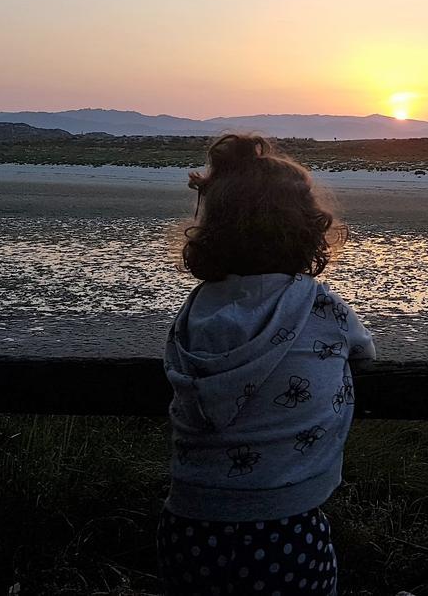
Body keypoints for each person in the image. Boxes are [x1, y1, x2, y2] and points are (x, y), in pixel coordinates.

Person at [158, 133, 375, 596]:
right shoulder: (319, 305)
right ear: (307, 228)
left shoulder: (197, 310)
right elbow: (364, 351)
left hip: (189, 521)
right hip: (287, 522)